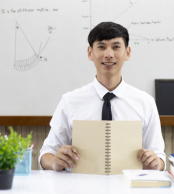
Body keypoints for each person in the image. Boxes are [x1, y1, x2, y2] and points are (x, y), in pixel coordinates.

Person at [39, 22, 166, 171]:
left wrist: (156, 163)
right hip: (79, 189)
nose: (109, 54)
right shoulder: (70, 101)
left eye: (116, 47)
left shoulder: (145, 102)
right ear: (90, 53)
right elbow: (46, 154)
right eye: (101, 47)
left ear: (128, 53)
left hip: (129, 190)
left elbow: (159, 157)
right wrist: (55, 162)